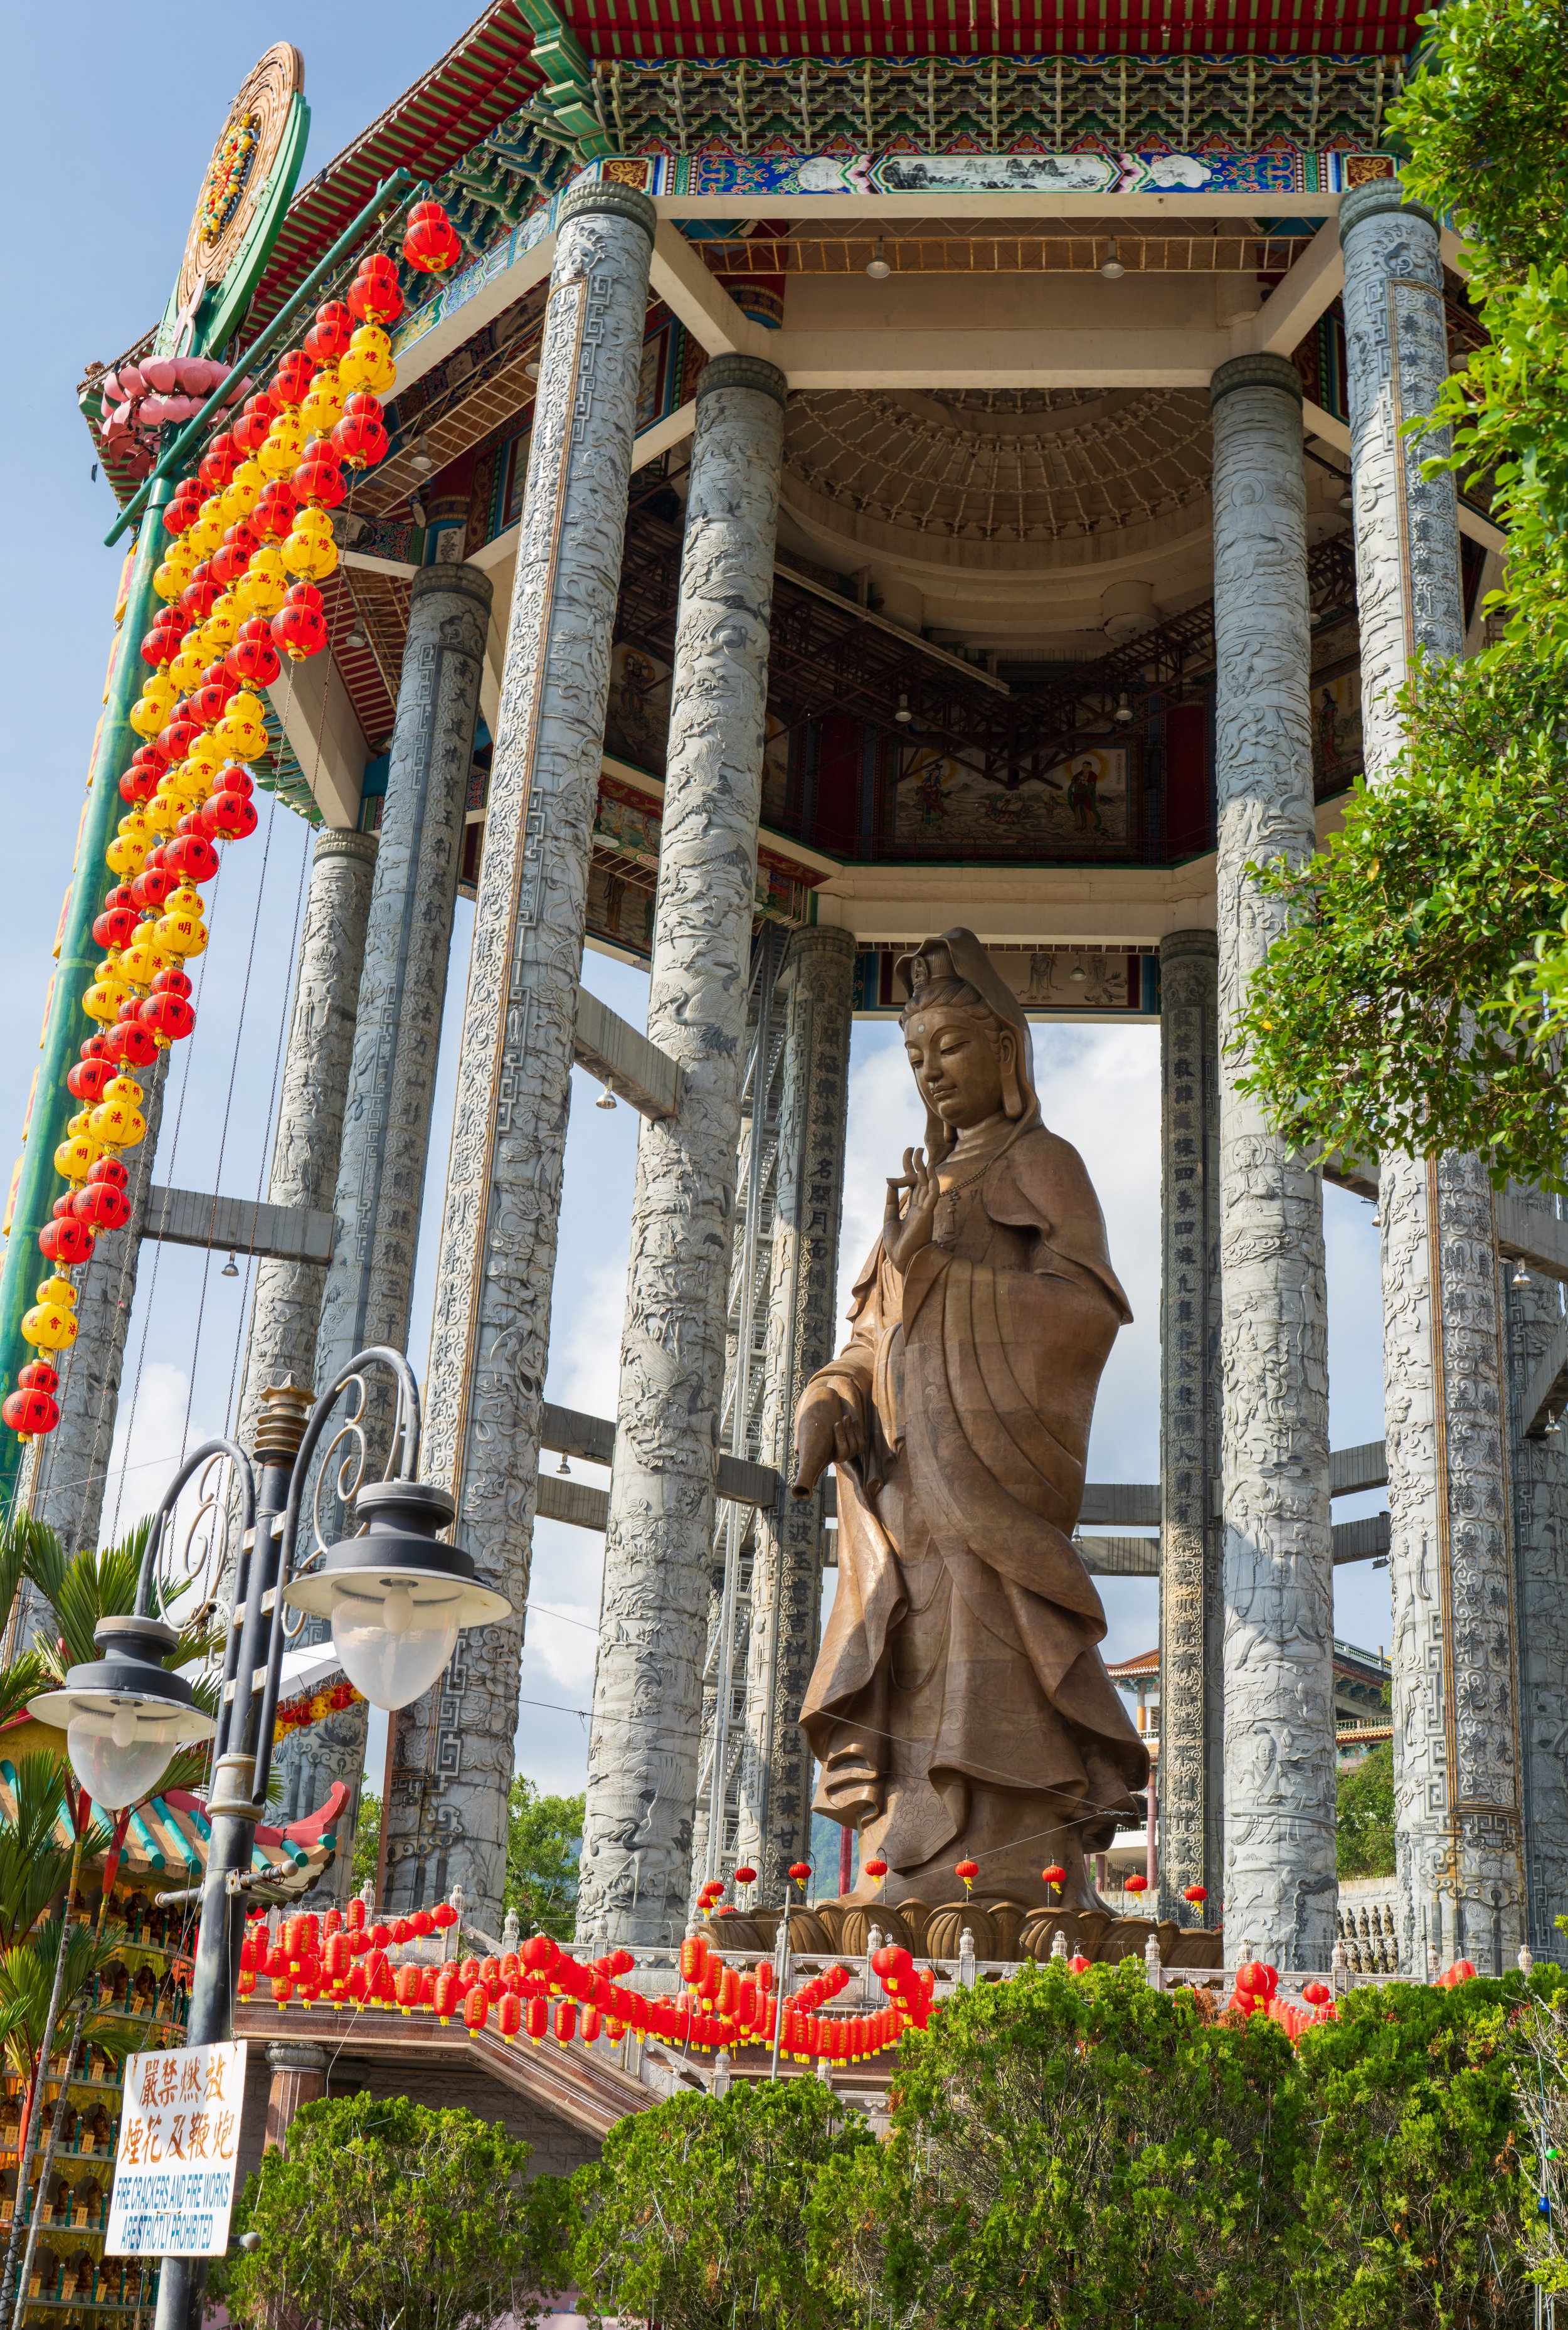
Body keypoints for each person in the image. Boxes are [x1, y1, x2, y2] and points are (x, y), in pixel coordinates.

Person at [792, 929, 1148, 1909]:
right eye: (914, 1056)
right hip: (909, 1489)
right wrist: (832, 1394)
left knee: (997, 1656)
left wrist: (947, 1273)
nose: (931, 1072)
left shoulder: (1047, 1163)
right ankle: (906, 1863)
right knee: (906, 1652)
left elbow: (1084, 1313)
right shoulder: (922, 1190)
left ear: (1006, 1050)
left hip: (993, 1476)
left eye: (949, 1047)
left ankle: (1010, 1871)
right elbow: (875, 1335)